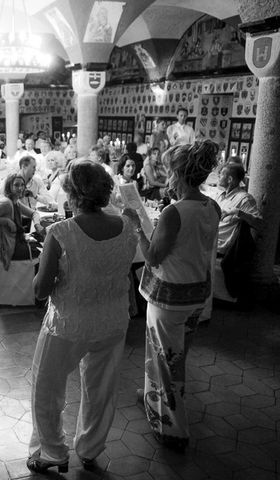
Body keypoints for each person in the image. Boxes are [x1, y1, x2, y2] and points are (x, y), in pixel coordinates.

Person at [27, 160, 137, 474]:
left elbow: (40, 290)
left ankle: (52, 452)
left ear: (72, 194)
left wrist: (41, 264)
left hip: (69, 324)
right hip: (113, 321)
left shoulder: (61, 232)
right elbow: (122, 271)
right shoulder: (127, 226)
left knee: (46, 387)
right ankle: (90, 449)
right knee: (102, 388)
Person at [124, 140, 221, 452]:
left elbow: (152, 258)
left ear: (179, 175)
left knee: (167, 361)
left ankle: (175, 430)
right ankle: (152, 398)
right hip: (196, 293)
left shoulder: (174, 211)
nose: (166, 178)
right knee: (172, 354)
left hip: (170, 298)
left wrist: (138, 226)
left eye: (169, 172)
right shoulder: (212, 206)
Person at [0, 174, 44, 270]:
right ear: (9, 186)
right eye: (16, 185)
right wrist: (5, 221)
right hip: (9, 248)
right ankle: (36, 282)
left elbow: (34, 214)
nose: (20, 188)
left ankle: (35, 280)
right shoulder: (5, 203)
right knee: (44, 251)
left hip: (14, 242)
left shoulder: (15, 201)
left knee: (42, 243)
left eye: (22, 185)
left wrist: (37, 224)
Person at [216, 162, 262, 255]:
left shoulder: (244, 199)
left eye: (221, 175)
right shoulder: (220, 195)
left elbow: (259, 224)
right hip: (209, 240)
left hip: (218, 246)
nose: (218, 177)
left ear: (229, 179)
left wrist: (237, 212)